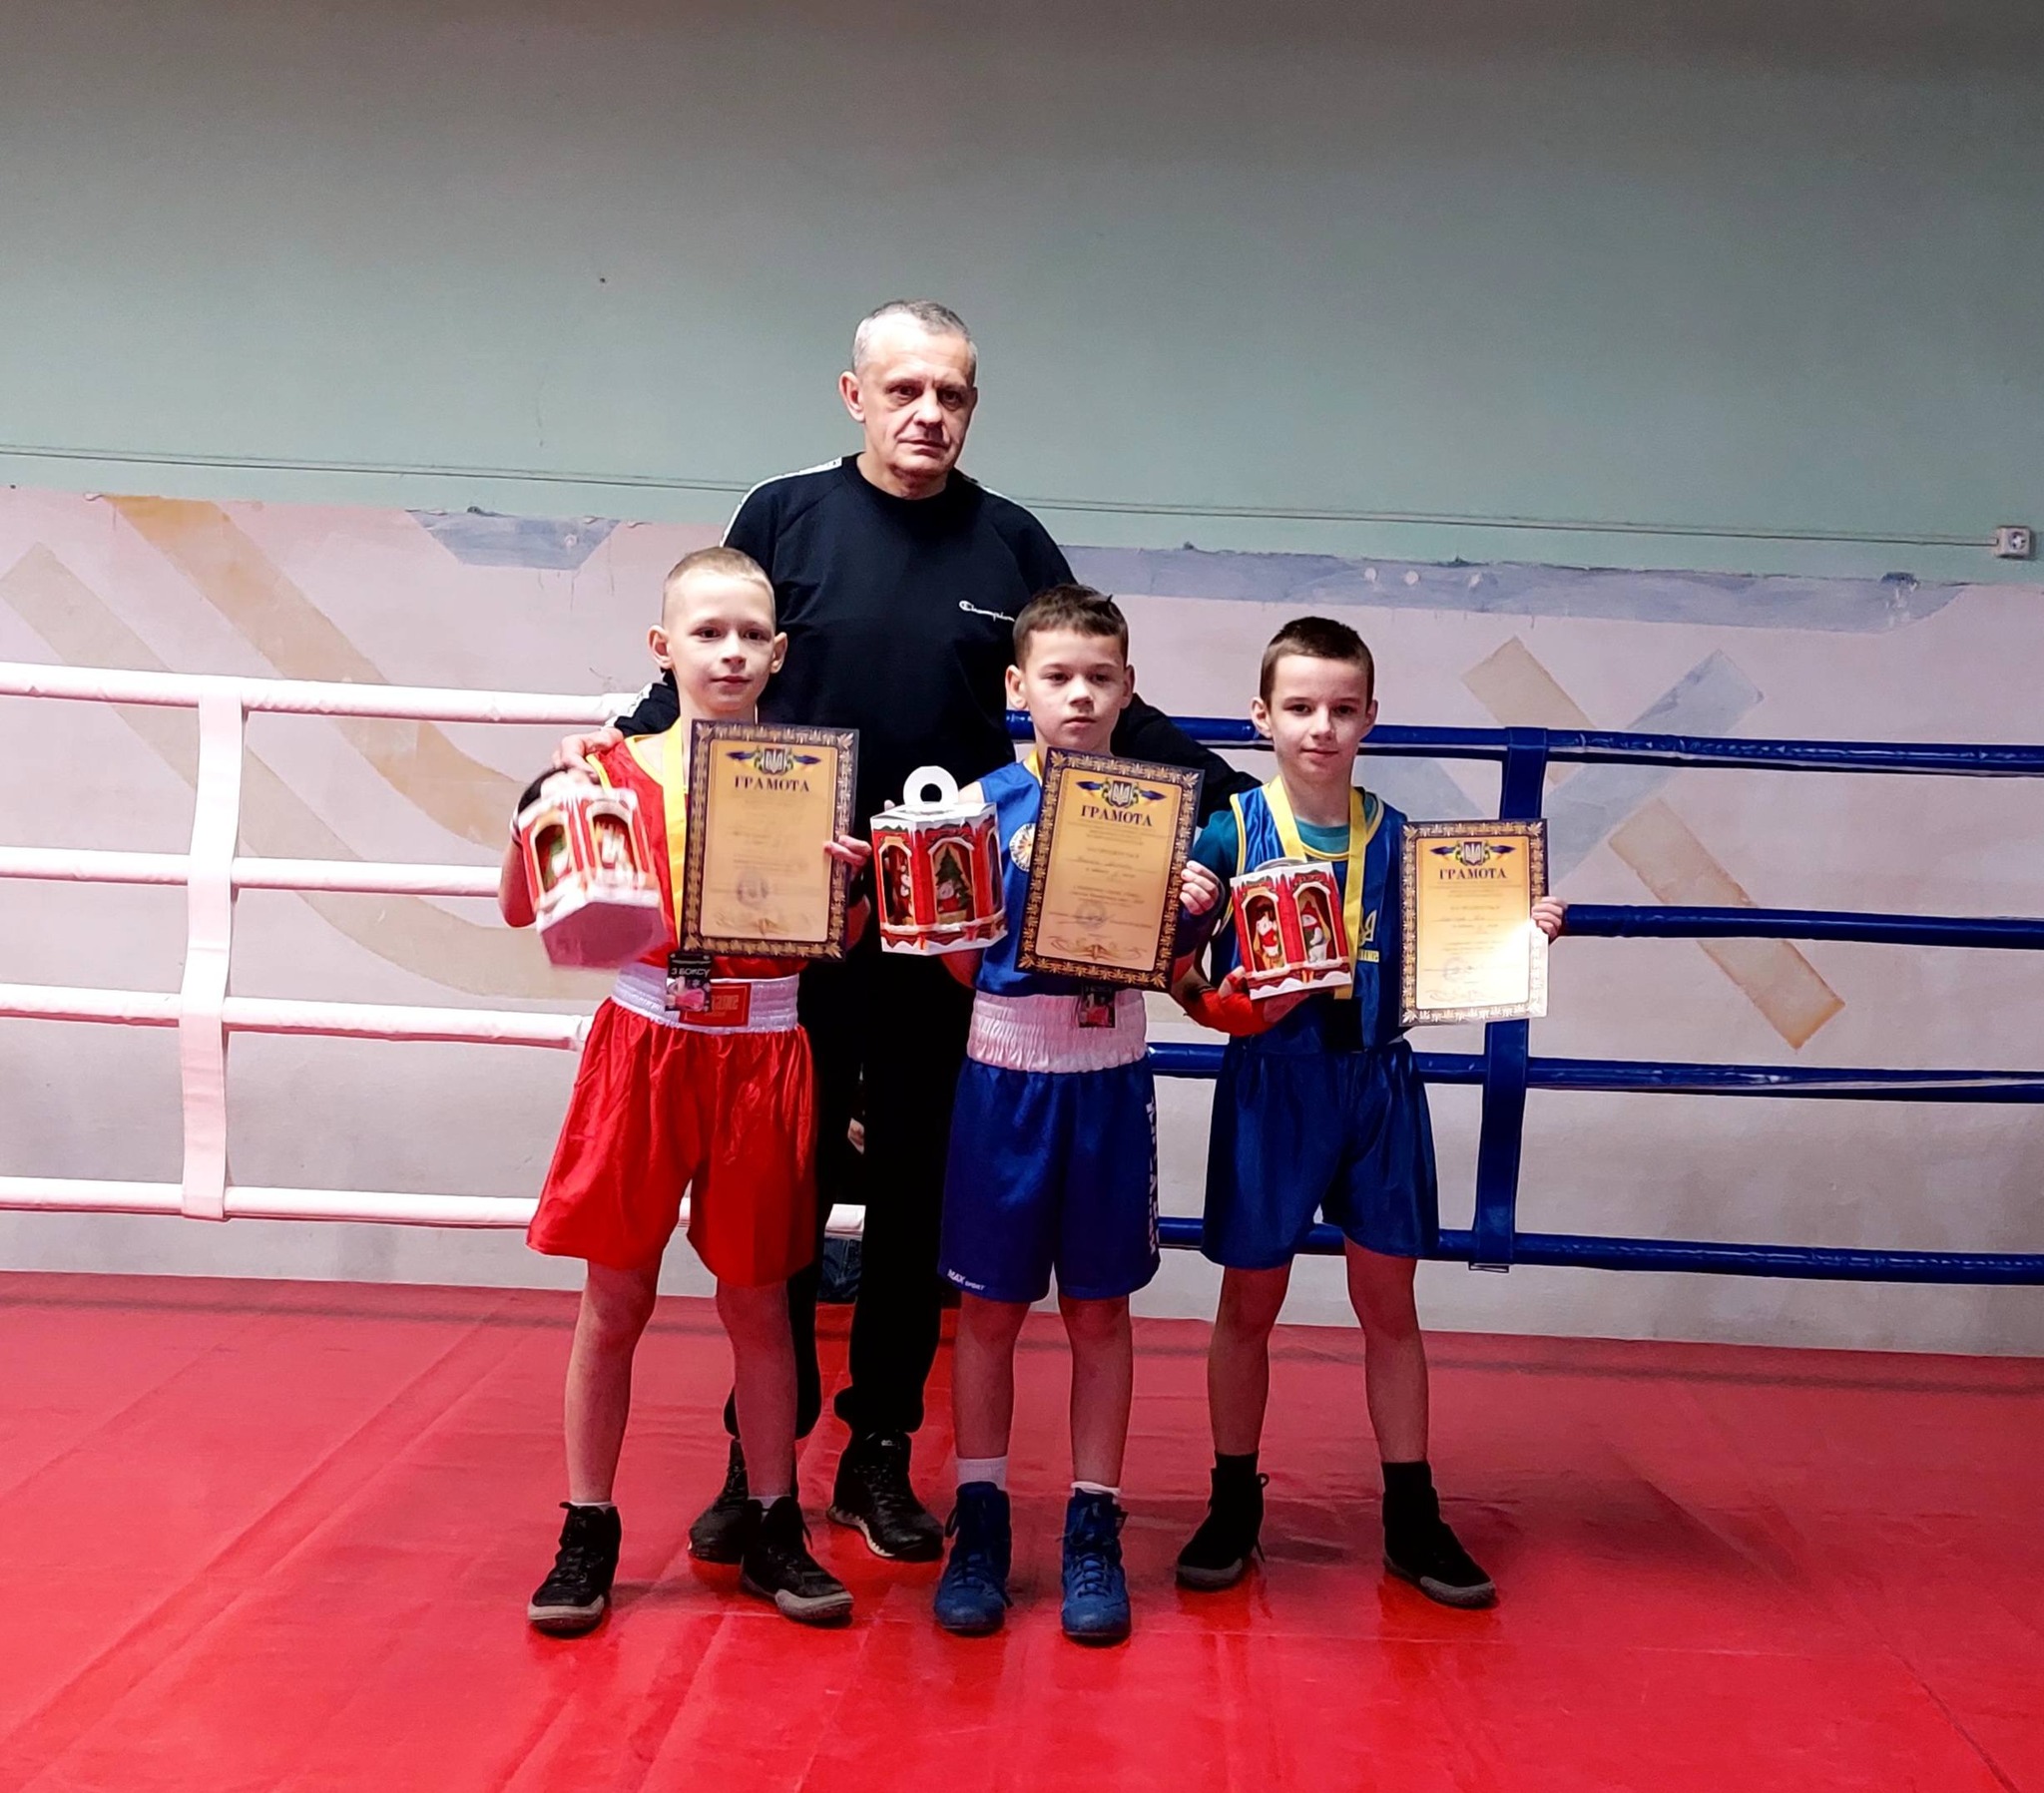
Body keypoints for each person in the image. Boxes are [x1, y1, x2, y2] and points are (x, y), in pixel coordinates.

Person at [555, 302, 1255, 1564]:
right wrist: (598, 762)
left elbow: (1089, 686)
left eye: (952, 394)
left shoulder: (1009, 538)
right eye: (904, 390)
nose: (928, 413)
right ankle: (759, 1460)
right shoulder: (785, 515)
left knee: (919, 1191)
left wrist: (1251, 810)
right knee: (786, 1191)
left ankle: (879, 1445)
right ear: (854, 395)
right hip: (791, 921)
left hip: (949, 925)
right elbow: (698, 670)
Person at [506, 546, 872, 1633]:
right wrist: (539, 812)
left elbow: (837, 944)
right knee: (614, 1297)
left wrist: (847, 890)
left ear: (779, 653)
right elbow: (523, 909)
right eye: (707, 632)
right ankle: (586, 1524)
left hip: (762, 1046)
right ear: (662, 647)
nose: (730, 652)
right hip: (645, 1038)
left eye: (750, 634)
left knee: (760, 1303)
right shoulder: (606, 769)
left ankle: (773, 1523)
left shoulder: (809, 782)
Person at [1170, 616, 1566, 1608]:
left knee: (1389, 1306)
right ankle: (1231, 1500)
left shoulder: (1400, 837)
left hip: (1379, 1086)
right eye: (1300, 706)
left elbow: (1459, 953)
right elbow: (1172, 967)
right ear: (1260, 716)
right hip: (1272, 1082)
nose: (1321, 726)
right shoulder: (1228, 831)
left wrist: (1520, 929)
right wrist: (1217, 997)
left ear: (1371, 717)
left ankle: (1410, 1513)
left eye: (1342, 709)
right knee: (1248, 1303)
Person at [923, 586, 1224, 1645]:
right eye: (1058, 677)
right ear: (1019, 687)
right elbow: (960, 967)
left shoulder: (1159, 811)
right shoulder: (978, 805)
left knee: (1100, 1311)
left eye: (1100, 677)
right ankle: (980, 1519)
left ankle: (1093, 1524)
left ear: (1129, 687)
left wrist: (1190, 907)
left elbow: (1177, 964)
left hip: (1108, 1076)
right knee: (988, 1312)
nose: (1080, 695)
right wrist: (956, 911)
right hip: (1005, 1071)